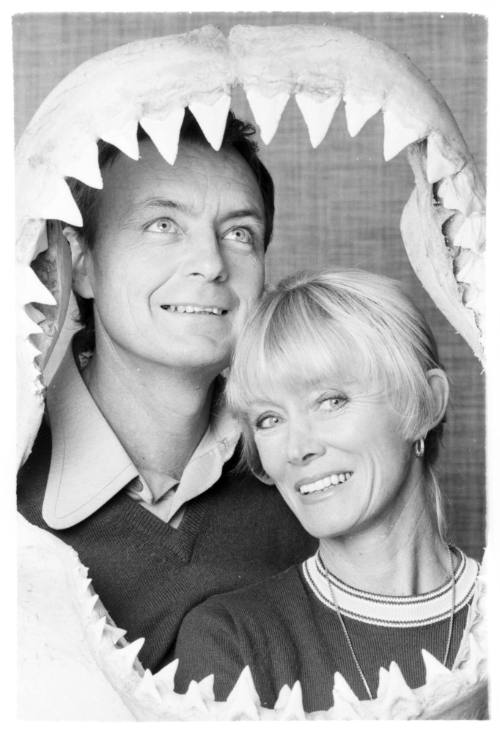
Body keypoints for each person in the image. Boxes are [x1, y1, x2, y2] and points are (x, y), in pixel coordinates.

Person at [17, 111, 317, 672]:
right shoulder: (12, 496)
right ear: (80, 264)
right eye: (162, 224)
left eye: (239, 233)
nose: (210, 263)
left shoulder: (313, 481)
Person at [173, 269, 480, 712]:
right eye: (269, 419)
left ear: (426, 403)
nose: (297, 448)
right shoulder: (233, 642)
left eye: (331, 400)